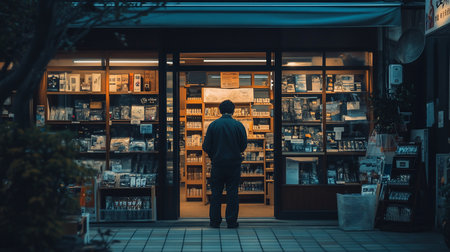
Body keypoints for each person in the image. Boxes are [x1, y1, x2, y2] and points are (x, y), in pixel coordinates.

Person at [202, 100, 247, 228]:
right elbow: (243, 145)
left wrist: (213, 155)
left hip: (217, 164)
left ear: (220, 110)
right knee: (233, 193)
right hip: (234, 165)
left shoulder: (213, 125)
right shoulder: (238, 125)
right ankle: (231, 221)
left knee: (216, 193)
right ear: (233, 111)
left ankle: (215, 221)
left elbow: (206, 146)